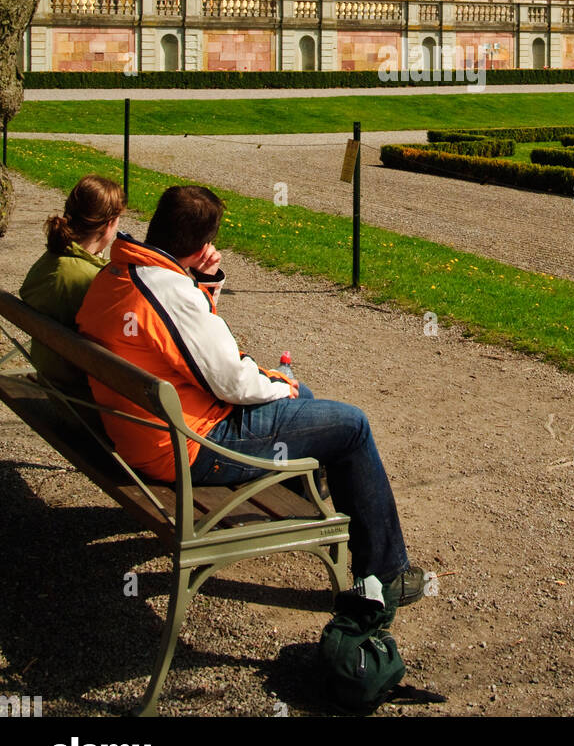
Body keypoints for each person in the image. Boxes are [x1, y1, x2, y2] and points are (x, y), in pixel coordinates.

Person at [76, 184, 423, 615]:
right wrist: (282, 382)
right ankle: (388, 574)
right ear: (203, 243)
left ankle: (301, 502)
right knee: (351, 425)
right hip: (186, 448)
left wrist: (198, 282)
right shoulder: (167, 290)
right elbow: (231, 380)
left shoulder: (121, 271)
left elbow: (186, 348)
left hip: (144, 431)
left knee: (309, 404)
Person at [19, 175, 126, 394]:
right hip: (84, 400)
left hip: (55, 383)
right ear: (109, 225)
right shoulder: (95, 281)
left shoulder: (51, 261)